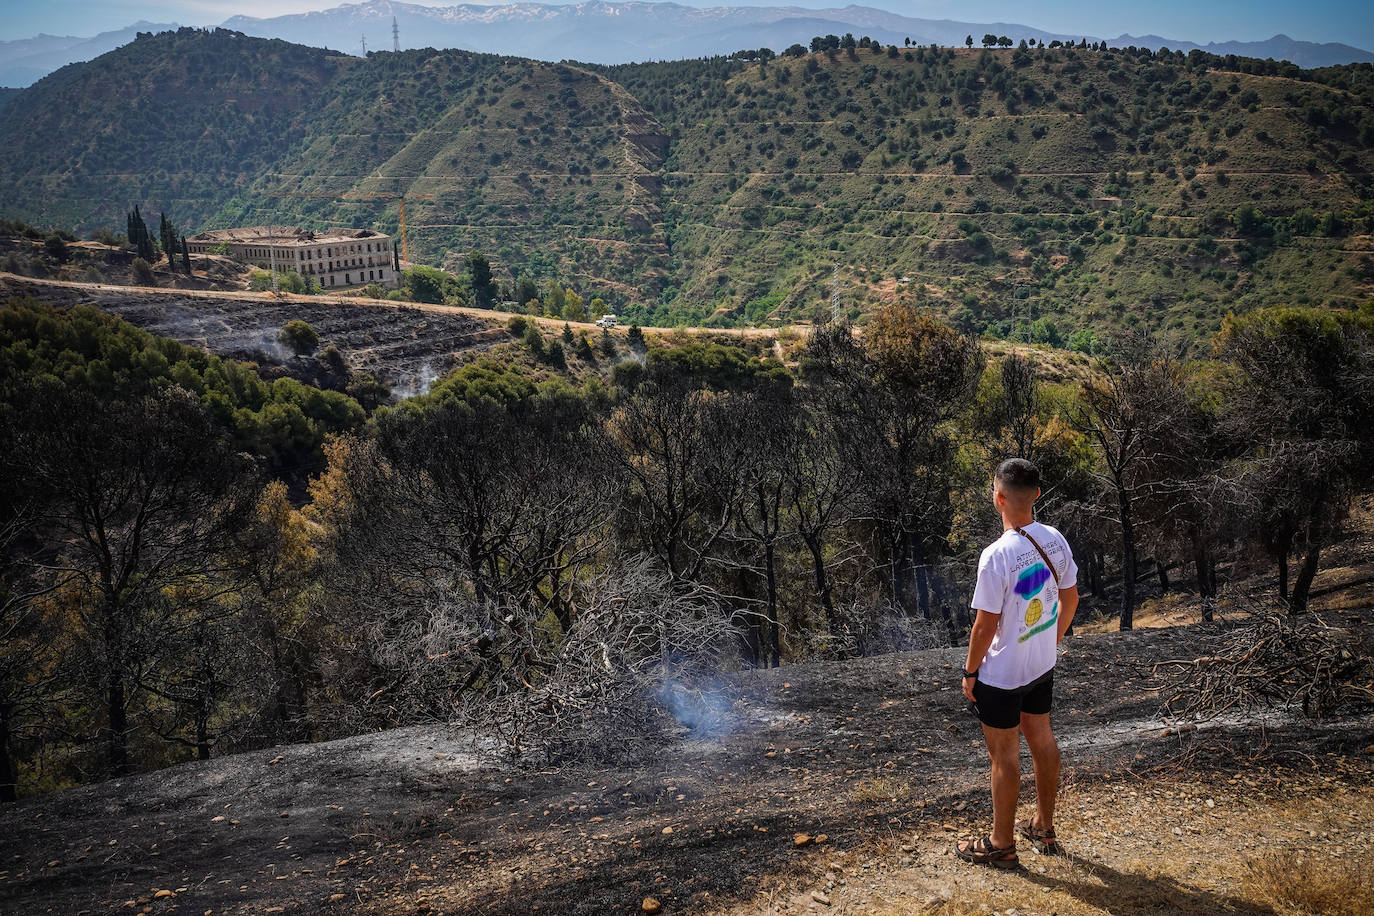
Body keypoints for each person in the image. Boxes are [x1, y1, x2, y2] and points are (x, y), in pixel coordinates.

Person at [956, 457, 1079, 868]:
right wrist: (1051, 639)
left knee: (1004, 755)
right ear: (1038, 495)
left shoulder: (996, 556)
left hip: (1002, 675)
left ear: (998, 498)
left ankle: (1001, 844)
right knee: (1041, 738)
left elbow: (983, 627)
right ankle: (1043, 825)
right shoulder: (1056, 540)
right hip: (1040, 667)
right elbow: (1071, 597)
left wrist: (970, 672)